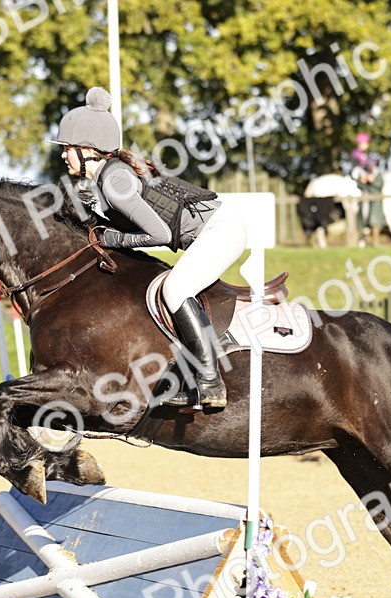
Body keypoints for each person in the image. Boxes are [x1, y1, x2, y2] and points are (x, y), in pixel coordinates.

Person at [50, 87, 246, 412]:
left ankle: (210, 382)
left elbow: (159, 233)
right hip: (211, 230)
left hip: (220, 230)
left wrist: (115, 240)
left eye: (68, 148)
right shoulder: (107, 179)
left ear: (88, 149)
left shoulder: (114, 182)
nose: (63, 155)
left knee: (175, 289)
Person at [350, 132, 386, 246]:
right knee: (363, 213)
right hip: (362, 188)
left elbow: (374, 170)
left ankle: (375, 240)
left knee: (375, 214)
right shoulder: (356, 156)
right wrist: (362, 179)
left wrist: (372, 178)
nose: (365, 145)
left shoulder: (370, 157)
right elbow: (355, 172)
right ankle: (362, 238)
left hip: (372, 191)